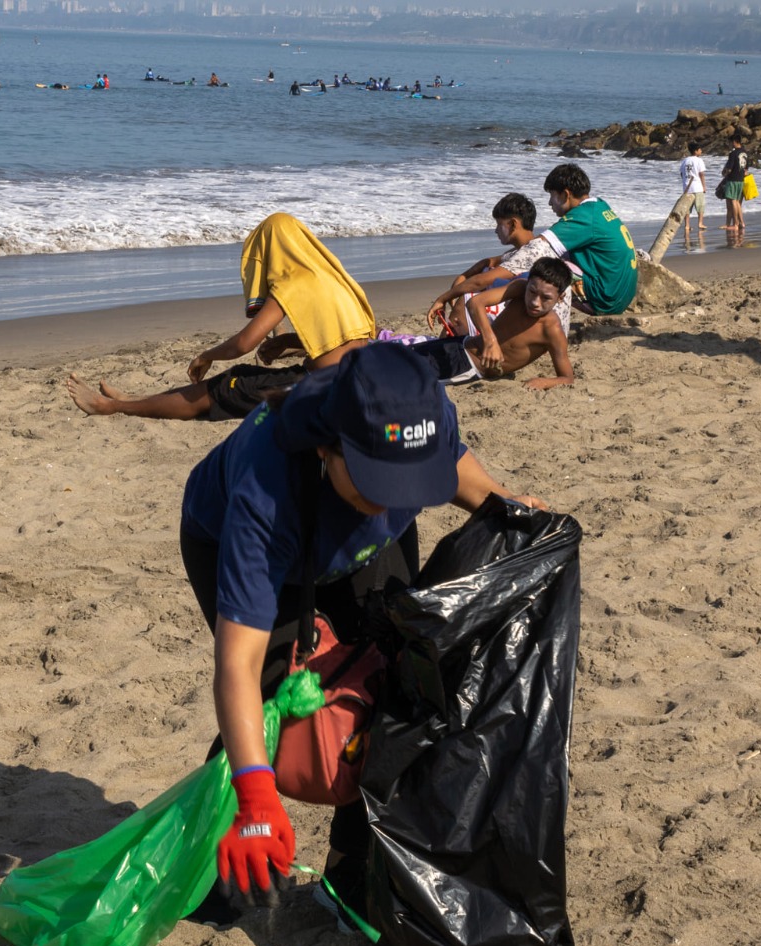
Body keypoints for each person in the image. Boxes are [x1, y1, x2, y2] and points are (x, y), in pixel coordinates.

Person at [181, 343, 547, 911]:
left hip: (364, 547)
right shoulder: (266, 490)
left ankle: (349, 872)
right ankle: (219, 857)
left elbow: (460, 473)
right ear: (327, 446)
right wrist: (256, 796)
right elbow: (238, 664)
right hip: (261, 545)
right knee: (283, 702)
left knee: (398, 687)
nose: (393, 499)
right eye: (378, 481)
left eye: (410, 482)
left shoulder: (420, 411)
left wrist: (513, 510)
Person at [67, 214, 376, 421]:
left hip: (321, 386)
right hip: (353, 378)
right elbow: (346, 338)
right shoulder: (334, 277)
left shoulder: (294, 281)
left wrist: (207, 355)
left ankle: (112, 407)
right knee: (242, 376)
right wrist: (288, 341)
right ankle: (133, 399)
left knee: (226, 386)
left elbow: (244, 343)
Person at [414, 257, 575, 390]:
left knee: (408, 376)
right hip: (461, 343)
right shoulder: (519, 288)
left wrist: (544, 382)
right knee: (405, 355)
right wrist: (490, 341)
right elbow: (475, 303)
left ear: (560, 297)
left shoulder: (552, 330)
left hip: (469, 365)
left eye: (546, 298)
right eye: (532, 292)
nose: (535, 302)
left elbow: (567, 378)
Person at [425, 192, 560, 337]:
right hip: (534, 315)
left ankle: (447, 344)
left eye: (499, 224)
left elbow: (480, 281)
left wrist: (443, 299)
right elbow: (489, 262)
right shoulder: (524, 249)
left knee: (468, 298)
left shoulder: (530, 252)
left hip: (540, 323)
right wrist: (463, 276)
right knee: (480, 279)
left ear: (513, 224)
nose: (496, 230)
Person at [542, 163, 639, 316]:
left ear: (566, 195)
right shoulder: (599, 206)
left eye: (552, 196)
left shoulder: (583, 216)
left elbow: (539, 246)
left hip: (605, 299)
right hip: (620, 296)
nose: (550, 203)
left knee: (542, 268)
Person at [678, 142, 708, 241]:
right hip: (697, 187)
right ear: (696, 151)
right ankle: (700, 223)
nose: (701, 151)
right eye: (700, 149)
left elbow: (681, 173)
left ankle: (687, 225)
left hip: (687, 187)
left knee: (687, 208)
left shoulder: (685, 160)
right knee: (700, 206)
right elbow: (701, 174)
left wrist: (685, 182)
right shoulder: (699, 160)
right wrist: (704, 186)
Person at [720, 134, 751, 231]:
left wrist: (724, 173)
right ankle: (741, 223)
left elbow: (729, 169)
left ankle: (736, 224)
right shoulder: (745, 153)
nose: (730, 144)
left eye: (730, 142)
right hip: (741, 180)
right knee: (737, 202)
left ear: (734, 142)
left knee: (733, 201)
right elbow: (746, 170)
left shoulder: (733, 153)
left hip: (732, 179)